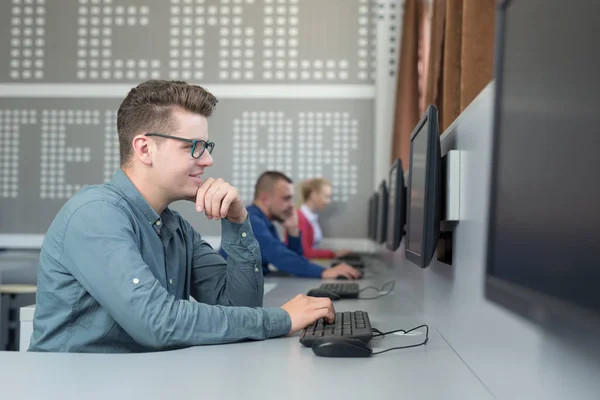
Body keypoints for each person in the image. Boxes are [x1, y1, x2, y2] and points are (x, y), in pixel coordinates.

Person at [29, 80, 334, 353]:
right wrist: (282, 319)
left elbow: (241, 307)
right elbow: (157, 322)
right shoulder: (95, 215)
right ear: (145, 149)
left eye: (206, 147)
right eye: (194, 147)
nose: (209, 160)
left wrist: (237, 222)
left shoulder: (175, 228)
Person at [220, 171, 362, 279]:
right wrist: (324, 272)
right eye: (286, 198)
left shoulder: (264, 222)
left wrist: (293, 230)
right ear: (265, 199)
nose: (291, 205)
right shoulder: (251, 222)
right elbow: (280, 257)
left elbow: (295, 257)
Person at [296, 178, 353, 259]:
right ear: (313, 195)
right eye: (327, 197)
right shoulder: (300, 218)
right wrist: (333, 254)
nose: (329, 202)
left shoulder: (311, 218)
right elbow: (305, 252)